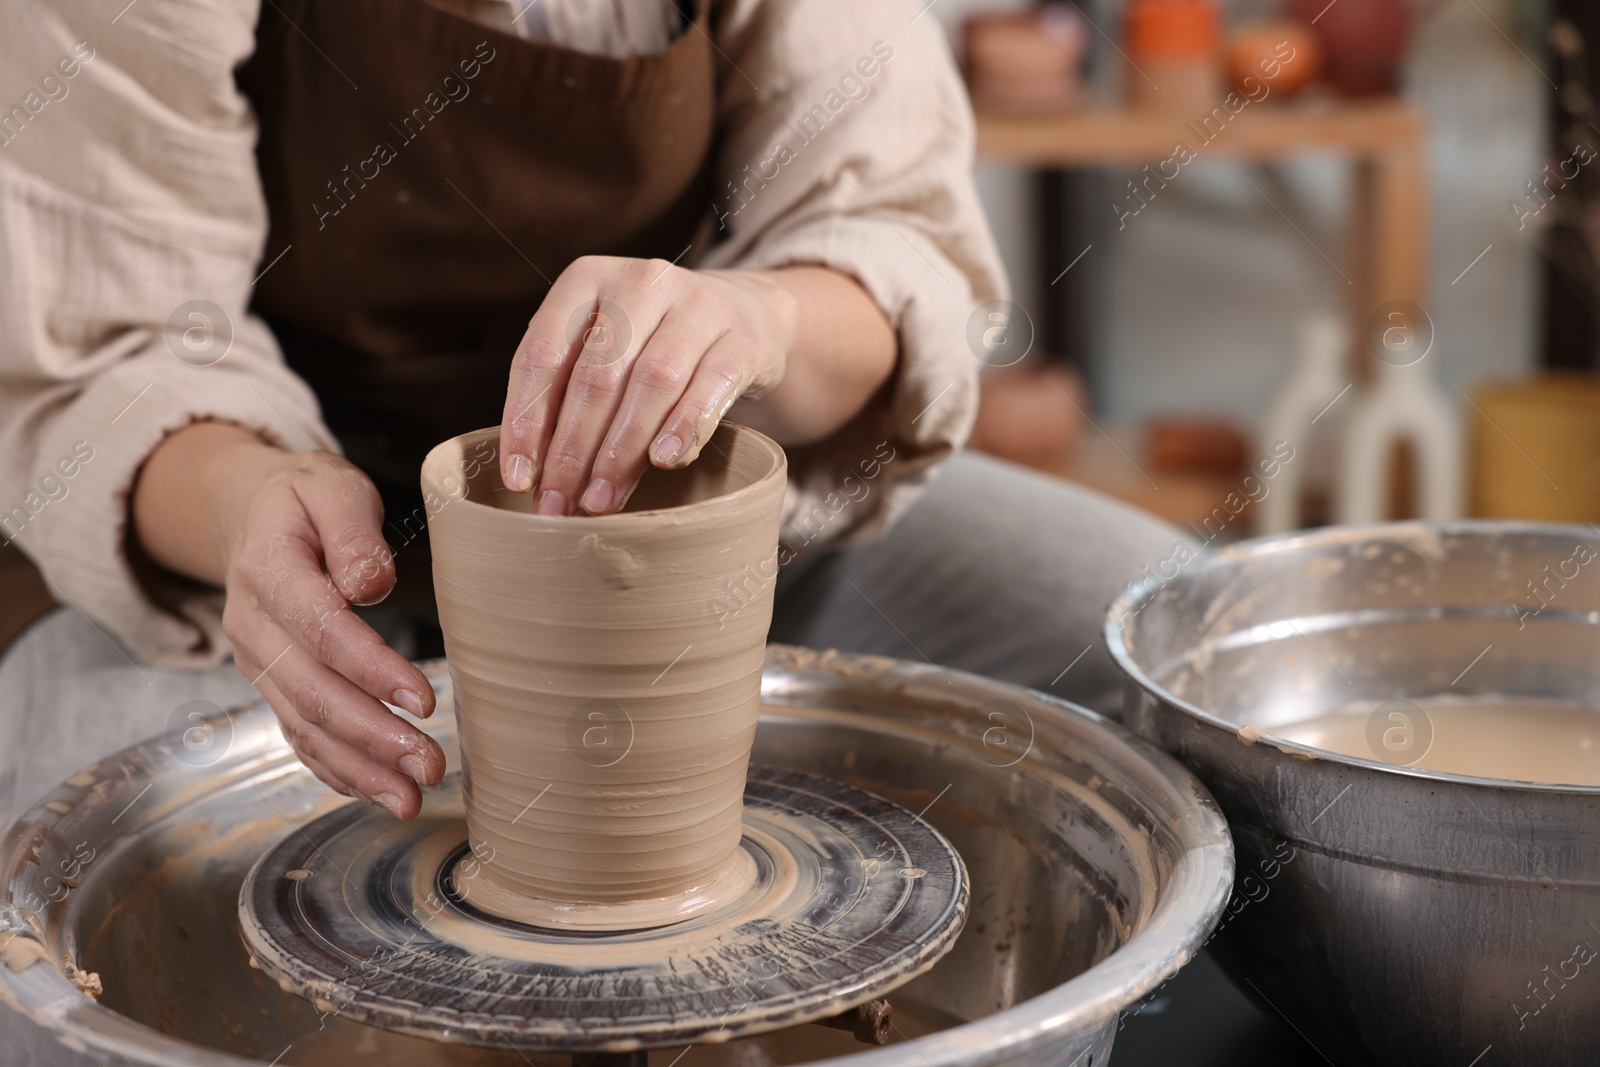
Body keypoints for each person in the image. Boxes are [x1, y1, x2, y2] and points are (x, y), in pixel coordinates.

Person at [0, 0, 1179, 831]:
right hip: (266, 557)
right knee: (110, 837)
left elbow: (889, 236)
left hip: (686, 507)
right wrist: (242, 499)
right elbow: (113, 348)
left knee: (1155, 646)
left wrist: (757, 319)